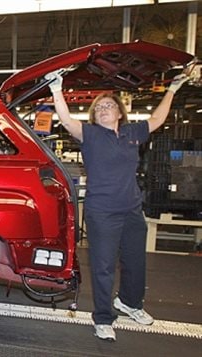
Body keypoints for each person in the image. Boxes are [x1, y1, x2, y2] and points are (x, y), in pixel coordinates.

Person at [46, 70, 189, 341]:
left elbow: (158, 118)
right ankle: (102, 318)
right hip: (102, 212)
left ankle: (129, 302)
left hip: (132, 210)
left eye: (108, 105)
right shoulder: (89, 134)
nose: (103, 109)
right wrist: (57, 89)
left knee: (136, 262)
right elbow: (66, 120)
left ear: (120, 112)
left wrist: (173, 88)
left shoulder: (132, 132)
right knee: (103, 266)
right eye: (98, 107)